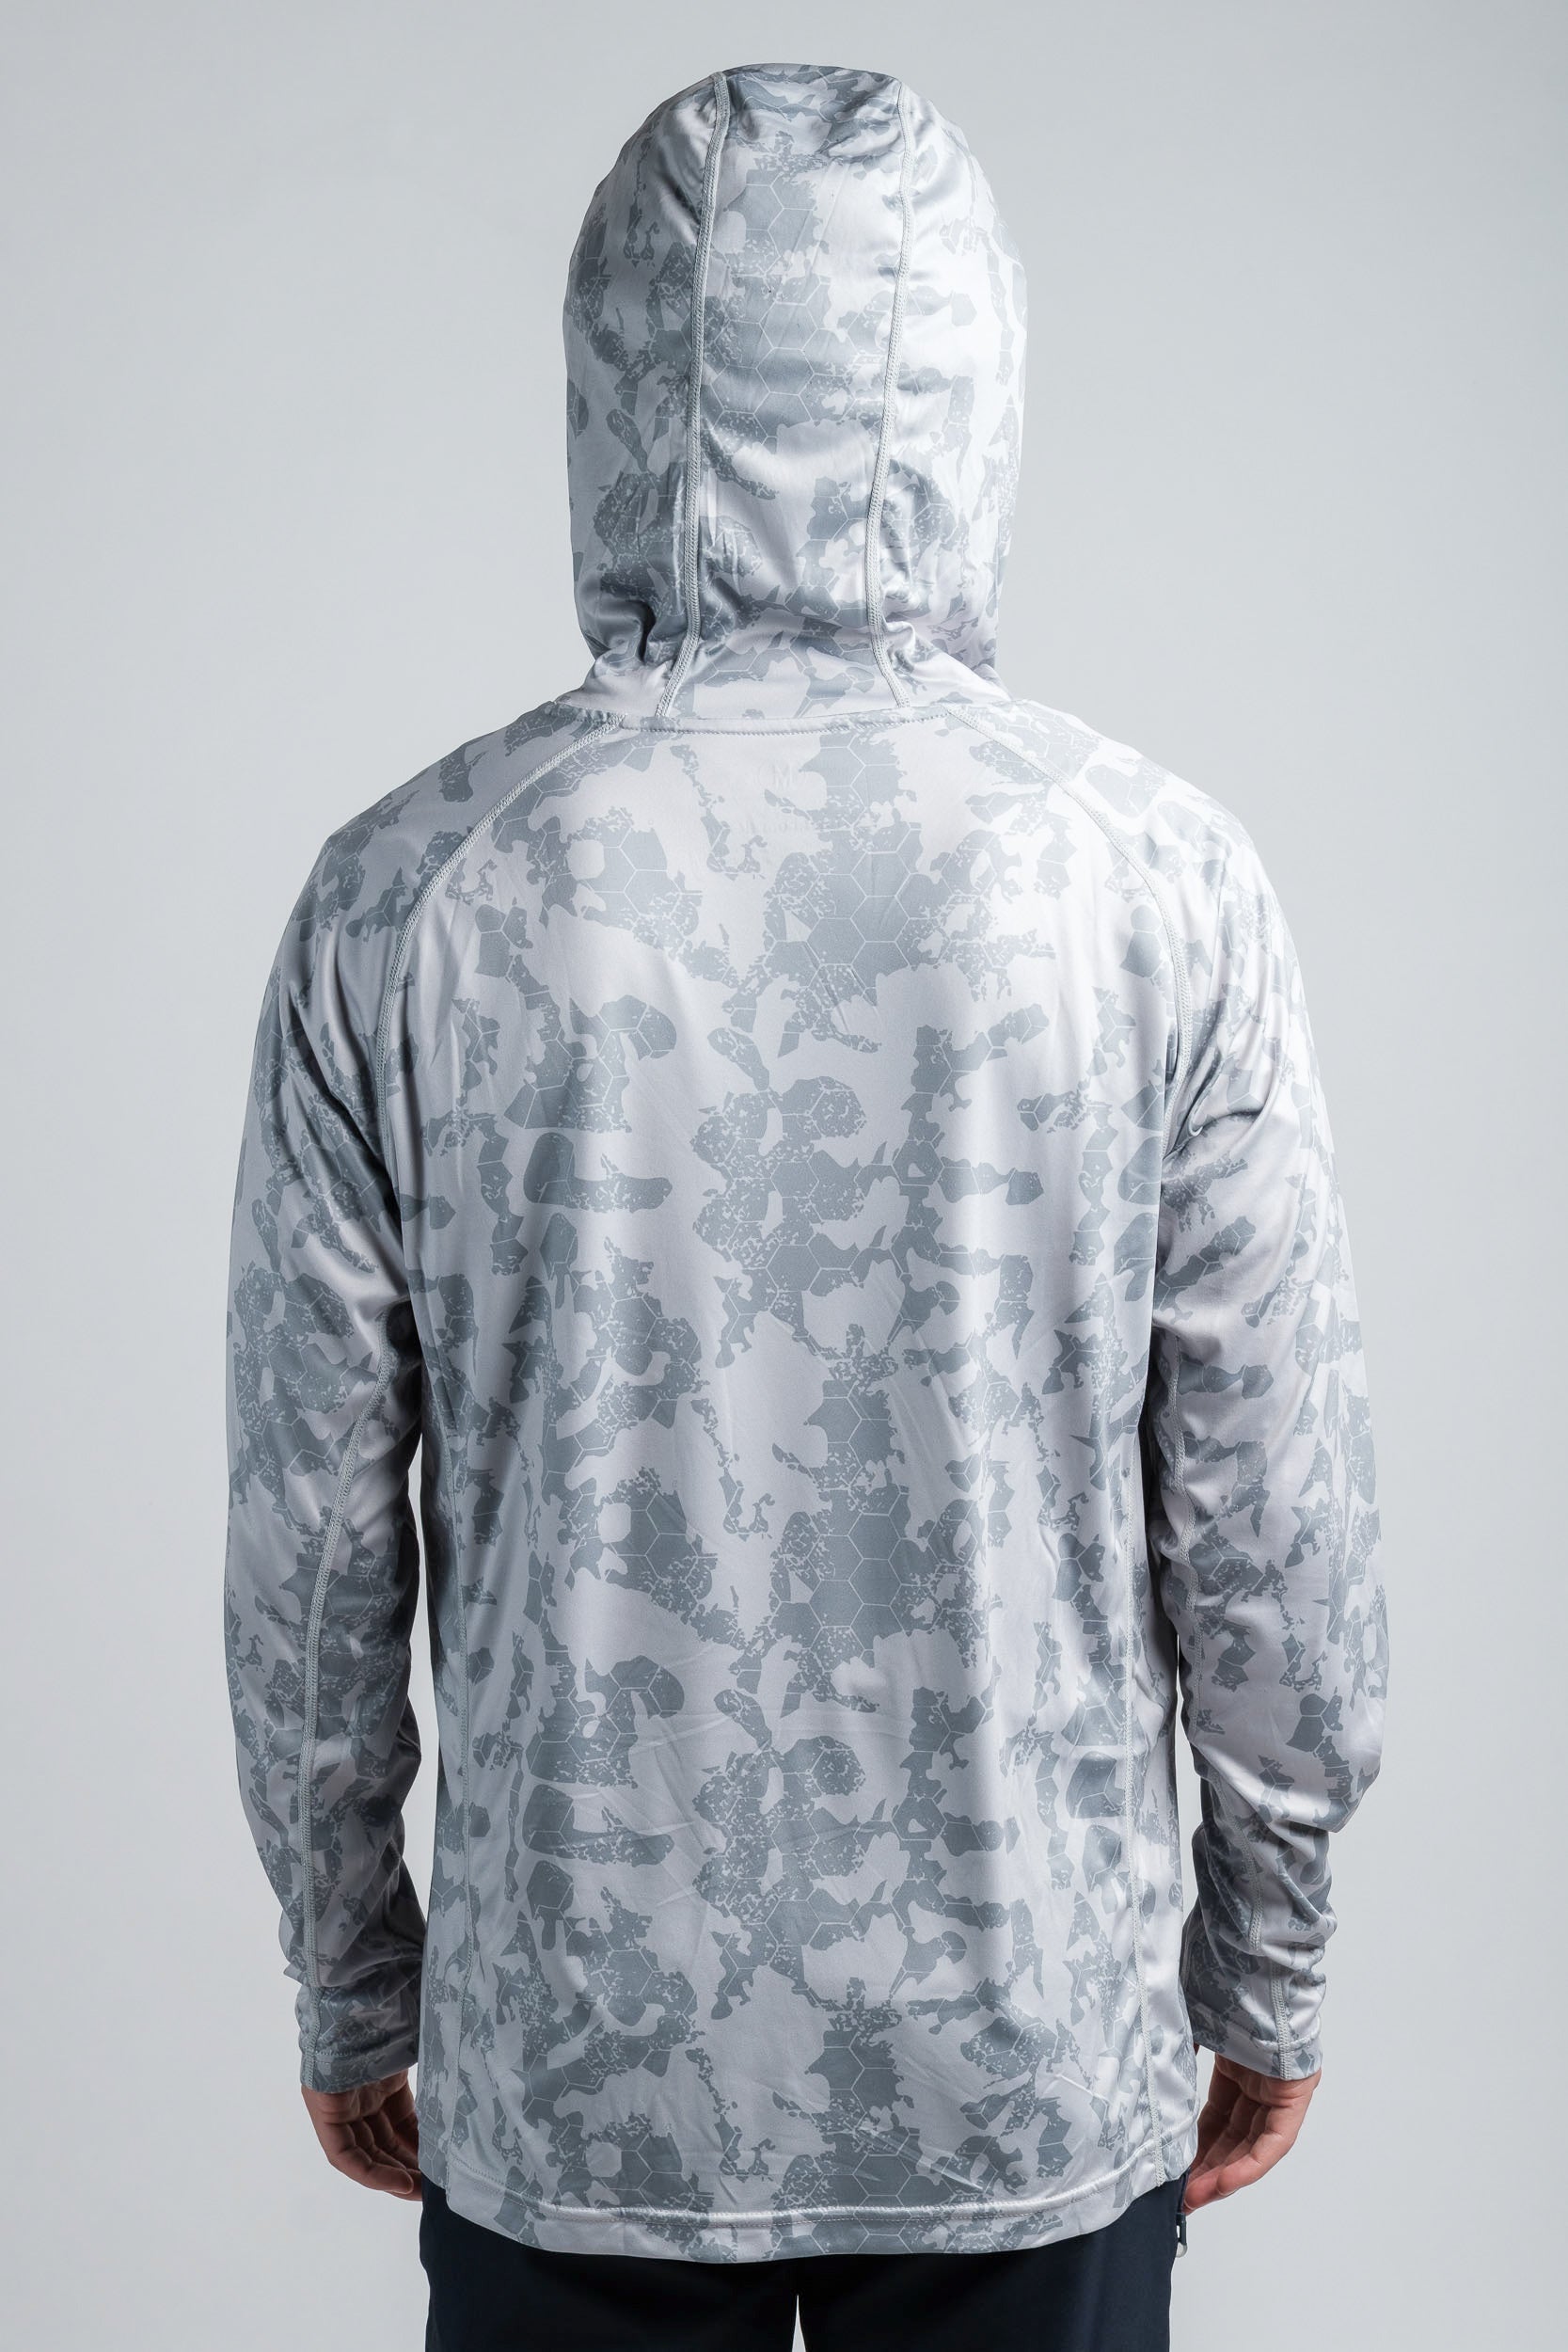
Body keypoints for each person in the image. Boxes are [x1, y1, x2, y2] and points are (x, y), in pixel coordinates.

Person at [223, 60, 1387, 2352]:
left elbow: (311, 1545)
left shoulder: (407, 893)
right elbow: (1277, 1502)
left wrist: (357, 1969)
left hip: (575, 2068)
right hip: (1024, 2066)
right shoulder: (1155, 882)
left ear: (609, 385)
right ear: (972, 385)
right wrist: (1270, 1959)